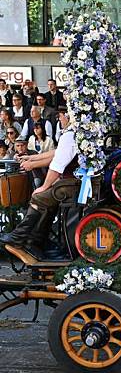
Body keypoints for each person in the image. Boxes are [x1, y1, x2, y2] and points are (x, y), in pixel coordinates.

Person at [0, 107, 78, 260]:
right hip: (70, 180)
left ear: (67, 117)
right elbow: (54, 153)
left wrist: (44, 185)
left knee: (39, 196)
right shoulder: (71, 134)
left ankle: (24, 238)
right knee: (45, 199)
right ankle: (36, 241)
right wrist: (31, 159)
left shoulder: (70, 135)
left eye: (61, 117)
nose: (59, 120)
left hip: (72, 182)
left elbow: (56, 164)